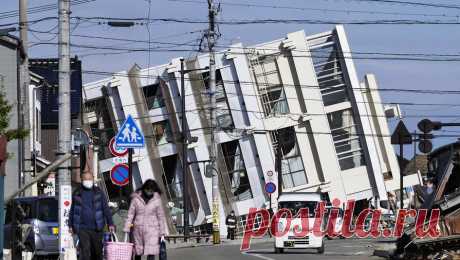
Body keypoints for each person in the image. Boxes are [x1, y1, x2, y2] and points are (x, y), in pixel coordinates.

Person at [69, 173, 115, 260]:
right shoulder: (77, 193)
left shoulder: (99, 192)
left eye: (89, 179)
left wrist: (110, 223)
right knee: (85, 251)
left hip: (97, 227)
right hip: (82, 228)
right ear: (82, 180)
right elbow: (72, 210)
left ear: (93, 179)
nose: (88, 181)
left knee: (97, 252)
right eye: (85, 179)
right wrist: (70, 225)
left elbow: (106, 208)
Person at [124, 179, 167, 260]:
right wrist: (127, 227)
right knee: (138, 252)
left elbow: (160, 216)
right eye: (148, 190)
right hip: (138, 229)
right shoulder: (136, 199)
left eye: (152, 190)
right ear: (144, 188)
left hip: (153, 229)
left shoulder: (156, 200)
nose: (150, 192)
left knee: (151, 252)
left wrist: (162, 231)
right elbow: (130, 214)